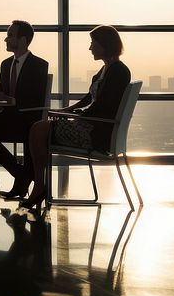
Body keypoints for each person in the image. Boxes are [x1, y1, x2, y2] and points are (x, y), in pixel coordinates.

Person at [18, 25, 131, 210]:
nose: (90, 47)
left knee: (38, 130)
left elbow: (103, 106)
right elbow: (90, 100)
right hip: (93, 127)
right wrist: (66, 111)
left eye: (93, 43)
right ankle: (39, 186)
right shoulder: (108, 70)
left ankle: (39, 187)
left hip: (96, 134)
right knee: (39, 129)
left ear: (104, 45)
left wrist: (76, 115)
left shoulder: (117, 72)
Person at [0, 20, 50, 200]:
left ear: (23, 40)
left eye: (10, 35)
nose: (5, 39)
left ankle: (21, 179)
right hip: (7, 117)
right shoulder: (6, 64)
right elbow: (1, 90)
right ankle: (21, 175)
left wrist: (12, 100)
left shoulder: (39, 65)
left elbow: (36, 99)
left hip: (28, 120)